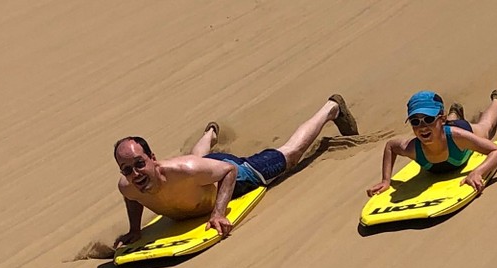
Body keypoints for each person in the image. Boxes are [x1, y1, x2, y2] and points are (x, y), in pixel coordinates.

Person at [113, 95, 359, 247]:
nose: (135, 174)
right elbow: (130, 197)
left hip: (237, 176)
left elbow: (228, 170)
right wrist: (135, 229)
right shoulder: (128, 186)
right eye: (127, 170)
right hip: (203, 171)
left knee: (290, 155)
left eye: (139, 163)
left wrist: (219, 213)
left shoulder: (183, 170)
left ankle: (330, 108)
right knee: (199, 163)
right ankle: (210, 133)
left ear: (152, 159)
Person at [365, 90, 497, 197]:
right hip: (443, 127)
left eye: (429, 119)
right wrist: (386, 180)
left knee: (486, 127)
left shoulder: (459, 137)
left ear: (440, 119)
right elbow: (391, 146)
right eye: (415, 121)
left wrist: (477, 172)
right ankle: (453, 113)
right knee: (439, 128)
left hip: (457, 130)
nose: (422, 126)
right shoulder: (411, 148)